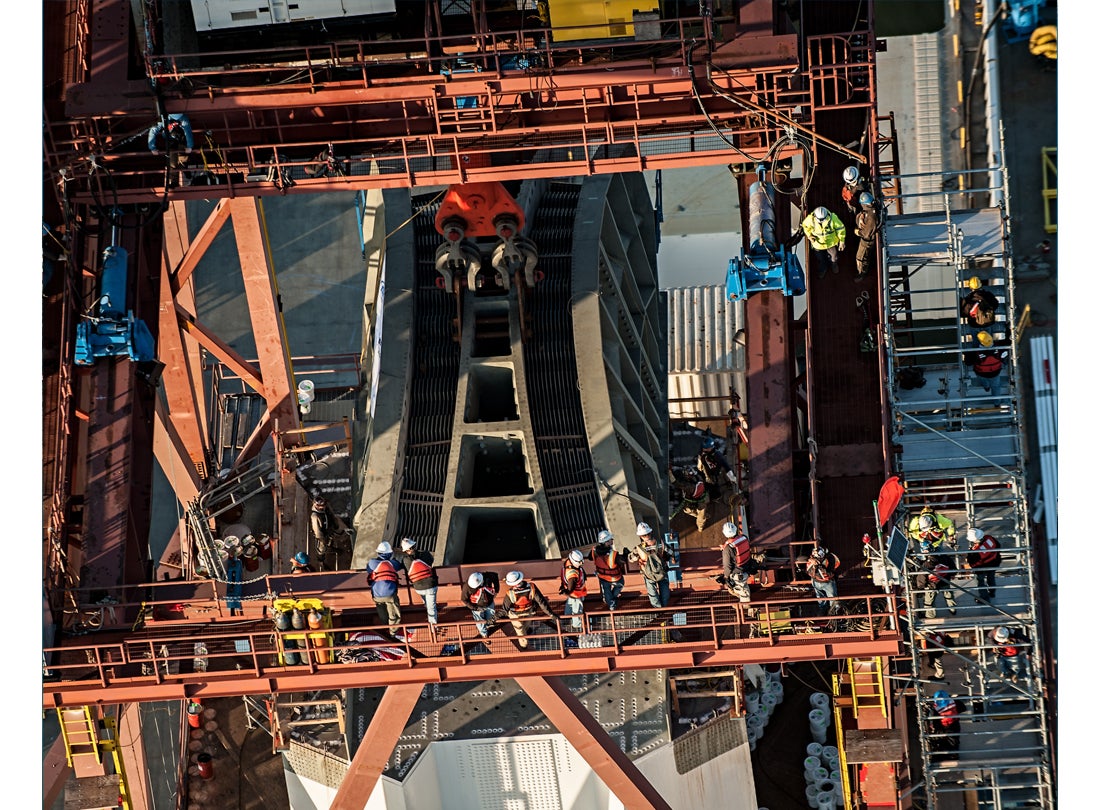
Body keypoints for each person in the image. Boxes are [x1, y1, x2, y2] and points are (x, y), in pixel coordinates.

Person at [501, 570, 558, 649]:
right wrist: (551, 614)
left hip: (516, 613)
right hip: (528, 611)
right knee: (521, 630)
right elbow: (541, 602)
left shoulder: (510, 593)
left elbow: (504, 609)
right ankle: (524, 645)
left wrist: (493, 619)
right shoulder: (532, 587)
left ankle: (524, 643)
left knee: (522, 629)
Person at [395, 537, 439, 630]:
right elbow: (431, 561)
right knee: (432, 607)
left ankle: (427, 606)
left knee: (427, 602)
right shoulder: (425, 554)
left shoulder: (405, 560)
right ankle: (433, 627)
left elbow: (401, 567)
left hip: (418, 587)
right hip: (431, 585)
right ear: (414, 546)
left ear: (405, 550)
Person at [794, 206, 846, 278]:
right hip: (817, 244)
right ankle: (823, 268)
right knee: (821, 258)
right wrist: (809, 235)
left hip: (830, 243)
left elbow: (840, 229)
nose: (821, 221)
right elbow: (805, 226)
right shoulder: (810, 219)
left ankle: (834, 264)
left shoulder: (833, 218)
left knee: (834, 256)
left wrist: (842, 241)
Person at [629, 522, 671, 608]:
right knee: (665, 591)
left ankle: (658, 610)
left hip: (648, 574)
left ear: (640, 536)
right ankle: (665, 607)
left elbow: (631, 559)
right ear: (651, 532)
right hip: (662, 572)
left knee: (653, 594)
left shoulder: (638, 548)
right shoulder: (661, 544)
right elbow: (670, 553)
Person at [366, 541, 404, 629]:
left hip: (376, 594)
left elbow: (369, 570)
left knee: (382, 613)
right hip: (389, 593)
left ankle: (385, 626)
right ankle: (393, 632)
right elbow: (400, 565)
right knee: (394, 615)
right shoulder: (392, 563)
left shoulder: (372, 563)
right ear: (389, 554)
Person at [588, 530, 627, 610]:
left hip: (602, 576)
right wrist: (625, 554)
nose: (612, 540)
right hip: (614, 578)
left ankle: (611, 604)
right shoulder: (613, 554)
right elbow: (622, 561)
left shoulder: (594, 550)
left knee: (606, 589)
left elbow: (590, 558)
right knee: (620, 584)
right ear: (606, 542)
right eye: (611, 539)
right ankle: (613, 598)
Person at [918, 544, 958, 619]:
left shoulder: (926, 564)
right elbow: (952, 567)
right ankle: (953, 609)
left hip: (932, 585)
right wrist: (952, 574)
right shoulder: (945, 558)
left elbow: (922, 576)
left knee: (929, 602)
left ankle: (930, 616)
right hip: (945, 581)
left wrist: (921, 586)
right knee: (949, 596)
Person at [965, 332, 1009, 397]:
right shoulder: (999, 347)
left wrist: (967, 354)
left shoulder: (975, 351)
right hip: (995, 372)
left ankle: (987, 387)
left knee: (984, 381)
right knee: (996, 387)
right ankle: (997, 401)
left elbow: (968, 363)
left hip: (981, 373)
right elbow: (1004, 358)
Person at [963, 527, 1002, 602]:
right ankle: (992, 593)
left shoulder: (976, 551)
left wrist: (968, 560)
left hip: (981, 568)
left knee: (980, 582)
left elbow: (974, 563)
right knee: (991, 578)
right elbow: (998, 546)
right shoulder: (989, 538)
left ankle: (984, 598)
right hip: (994, 563)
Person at [719, 522, 755, 600]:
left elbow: (727, 566)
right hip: (747, 566)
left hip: (738, 573)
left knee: (743, 591)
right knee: (742, 588)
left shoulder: (728, 549)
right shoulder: (744, 538)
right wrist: (725, 548)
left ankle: (746, 606)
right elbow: (737, 546)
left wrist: (726, 577)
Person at [697, 436, 736, 502]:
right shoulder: (703, 455)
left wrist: (732, 477)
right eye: (703, 448)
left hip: (717, 476)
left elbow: (726, 465)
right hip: (707, 476)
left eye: (706, 448)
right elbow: (700, 467)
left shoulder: (717, 455)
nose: (704, 450)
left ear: (710, 448)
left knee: (717, 493)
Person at [461, 571, 498, 639]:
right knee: (480, 621)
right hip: (477, 606)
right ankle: (484, 634)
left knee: (490, 616)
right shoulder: (467, 587)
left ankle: (488, 626)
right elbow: (464, 599)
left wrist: (497, 590)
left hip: (489, 603)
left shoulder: (487, 576)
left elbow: (495, 576)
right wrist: (475, 608)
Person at [806, 545, 841, 615]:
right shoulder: (811, 561)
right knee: (820, 598)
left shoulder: (830, 558)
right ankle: (823, 610)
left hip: (828, 582)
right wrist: (814, 565)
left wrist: (819, 566)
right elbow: (809, 572)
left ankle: (834, 612)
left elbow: (829, 573)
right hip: (816, 582)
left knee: (833, 598)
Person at [672, 468, 710, 532]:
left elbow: (675, 483)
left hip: (697, 502)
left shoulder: (688, 486)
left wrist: (670, 473)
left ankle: (700, 527)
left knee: (689, 511)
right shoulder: (699, 477)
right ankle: (701, 519)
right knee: (701, 514)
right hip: (704, 497)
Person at [559, 549, 588, 632]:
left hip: (572, 595)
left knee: (569, 606)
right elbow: (570, 588)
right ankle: (577, 627)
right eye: (580, 562)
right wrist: (566, 592)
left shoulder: (568, 563)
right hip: (576, 595)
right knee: (577, 611)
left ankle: (566, 619)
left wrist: (564, 589)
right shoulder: (573, 575)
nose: (581, 563)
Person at [854, 192, 880, 278]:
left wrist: (858, 232)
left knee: (861, 258)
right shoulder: (872, 209)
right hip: (869, 238)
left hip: (867, 241)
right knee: (865, 255)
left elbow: (866, 233)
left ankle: (861, 273)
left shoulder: (871, 218)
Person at [927, 691, 960, 756]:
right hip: (951, 724)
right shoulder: (954, 702)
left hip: (948, 725)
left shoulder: (934, 708)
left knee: (949, 739)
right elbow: (962, 708)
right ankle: (951, 754)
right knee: (951, 739)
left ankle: (951, 754)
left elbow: (934, 720)